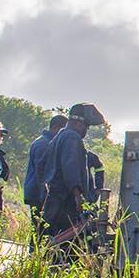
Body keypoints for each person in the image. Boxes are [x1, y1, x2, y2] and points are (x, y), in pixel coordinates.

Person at [41, 103, 105, 247]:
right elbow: (71, 171)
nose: (86, 131)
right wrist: (79, 197)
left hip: (55, 202)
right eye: (86, 126)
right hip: (66, 204)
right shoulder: (72, 137)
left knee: (55, 246)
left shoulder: (59, 136)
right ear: (76, 122)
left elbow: (42, 165)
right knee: (68, 249)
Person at [23, 114, 67, 231]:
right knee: (40, 230)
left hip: (38, 193)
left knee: (40, 229)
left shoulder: (45, 141)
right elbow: (41, 171)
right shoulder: (44, 144)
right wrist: (45, 195)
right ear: (56, 128)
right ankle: (35, 250)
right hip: (38, 194)